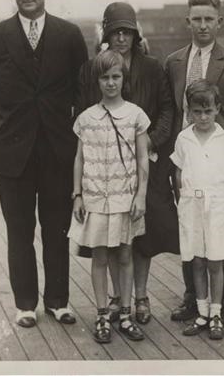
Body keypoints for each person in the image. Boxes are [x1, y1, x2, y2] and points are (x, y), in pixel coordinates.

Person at [0, 0, 88, 328]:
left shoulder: (69, 35)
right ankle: (26, 303)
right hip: (13, 151)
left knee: (57, 229)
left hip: (57, 149)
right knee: (19, 230)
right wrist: (12, 124)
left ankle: (58, 301)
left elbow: (81, 89)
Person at [76, 2, 178, 325]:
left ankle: (142, 296)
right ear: (107, 35)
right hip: (107, 168)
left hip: (148, 160)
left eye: (127, 32)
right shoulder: (95, 69)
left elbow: (166, 111)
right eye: (115, 31)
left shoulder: (152, 67)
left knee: (141, 235)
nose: (122, 37)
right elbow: (84, 112)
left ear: (136, 35)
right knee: (112, 237)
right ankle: (119, 300)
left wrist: (149, 143)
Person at [164, 0, 224, 327]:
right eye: (196, 19)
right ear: (188, 21)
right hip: (185, 158)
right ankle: (193, 298)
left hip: (217, 156)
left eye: (208, 20)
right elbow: (171, 111)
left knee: (219, 234)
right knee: (189, 231)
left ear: (220, 22)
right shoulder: (173, 61)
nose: (202, 26)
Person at [69, 49, 150, 343]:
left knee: (126, 253)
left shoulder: (136, 115)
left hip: (124, 197)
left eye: (116, 76)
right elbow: (79, 159)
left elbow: (142, 159)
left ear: (123, 79)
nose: (111, 83)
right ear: (97, 80)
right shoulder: (86, 118)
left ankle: (126, 313)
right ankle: (102, 314)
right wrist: (77, 195)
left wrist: (140, 195)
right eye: (105, 77)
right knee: (100, 255)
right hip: (95, 197)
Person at [170, 80, 224, 340]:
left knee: (215, 261)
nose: (202, 117)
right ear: (189, 112)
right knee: (197, 261)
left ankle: (217, 313)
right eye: (197, 112)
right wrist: (184, 204)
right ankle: (201, 311)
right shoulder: (184, 138)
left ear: (217, 109)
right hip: (191, 205)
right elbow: (178, 174)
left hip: (217, 206)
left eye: (208, 111)